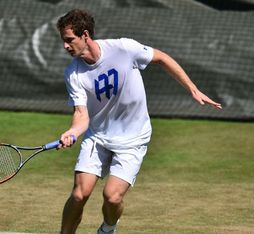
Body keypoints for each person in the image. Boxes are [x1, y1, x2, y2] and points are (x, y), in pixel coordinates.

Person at [55, 9, 222, 234]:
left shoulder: (123, 48)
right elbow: (81, 113)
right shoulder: (73, 73)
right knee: (79, 194)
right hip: (98, 137)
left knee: (112, 197)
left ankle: (108, 228)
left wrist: (192, 88)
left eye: (69, 40)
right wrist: (73, 132)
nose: (65, 46)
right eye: (63, 41)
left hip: (133, 138)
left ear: (85, 35)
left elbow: (162, 58)